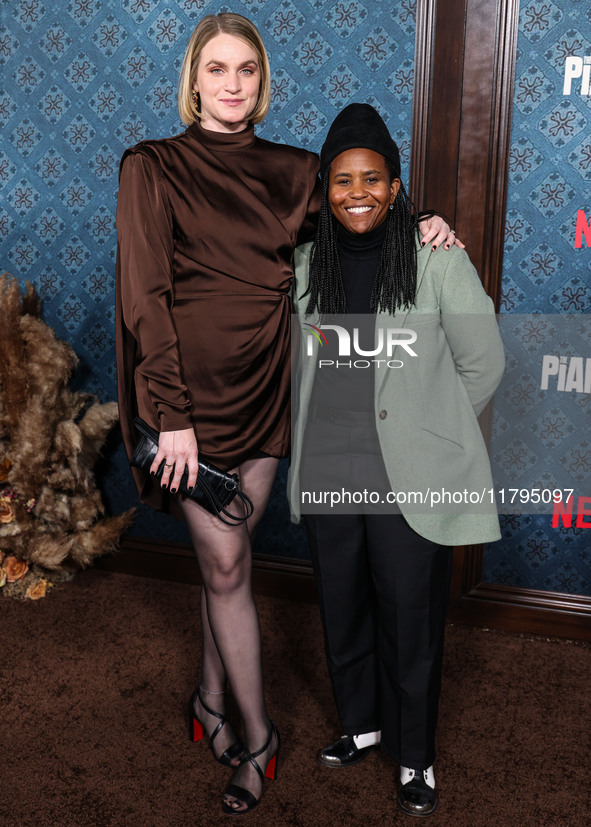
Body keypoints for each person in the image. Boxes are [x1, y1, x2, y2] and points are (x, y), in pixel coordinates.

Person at [116, 13, 458, 816]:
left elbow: (359, 211)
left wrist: (425, 219)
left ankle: (208, 701)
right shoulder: (152, 166)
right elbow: (144, 295)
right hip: (186, 403)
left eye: (246, 70)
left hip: (266, 389)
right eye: (217, 69)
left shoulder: (295, 169)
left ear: (261, 81)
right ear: (192, 79)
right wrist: (168, 414)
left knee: (221, 563)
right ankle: (259, 738)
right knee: (230, 566)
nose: (232, 84)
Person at [288, 103, 505, 817]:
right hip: (328, 464)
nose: (357, 192)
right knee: (342, 604)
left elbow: (484, 363)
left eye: (371, 179)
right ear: (326, 188)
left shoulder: (434, 256)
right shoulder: (302, 265)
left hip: (406, 473)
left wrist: (426, 425)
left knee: (409, 618)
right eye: (342, 179)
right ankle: (360, 723)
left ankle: (416, 757)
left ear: (394, 185)